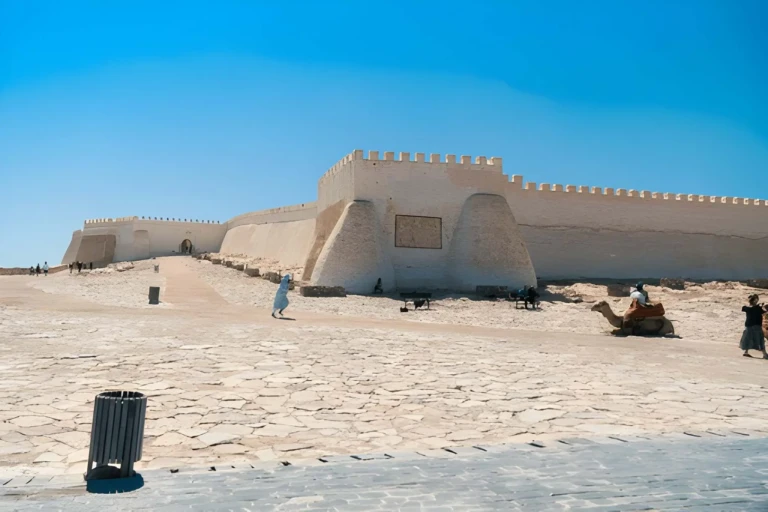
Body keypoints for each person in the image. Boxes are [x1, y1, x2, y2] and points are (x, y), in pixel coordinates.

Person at [740, 294, 768, 359]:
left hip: (748, 326)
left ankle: (746, 352)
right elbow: (764, 312)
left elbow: (744, 308)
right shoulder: (758, 308)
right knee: (760, 340)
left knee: (748, 339)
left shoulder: (747, 308)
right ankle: (765, 354)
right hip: (756, 326)